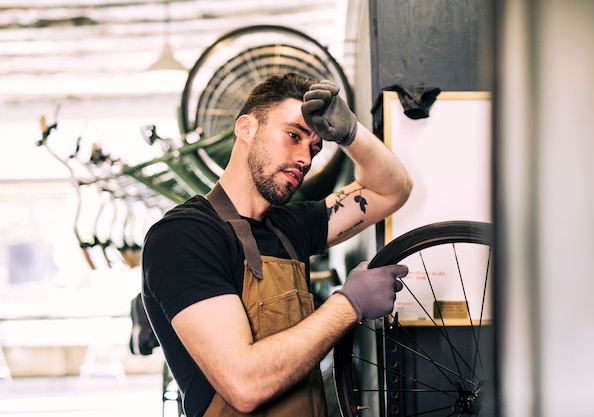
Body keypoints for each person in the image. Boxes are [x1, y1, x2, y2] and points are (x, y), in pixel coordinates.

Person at [142, 72, 413, 417]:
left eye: (314, 147)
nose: (305, 158)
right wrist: (348, 305)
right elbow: (244, 385)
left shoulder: (291, 226)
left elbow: (392, 190)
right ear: (246, 128)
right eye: (293, 135)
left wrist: (351, 134)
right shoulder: (184, 236)